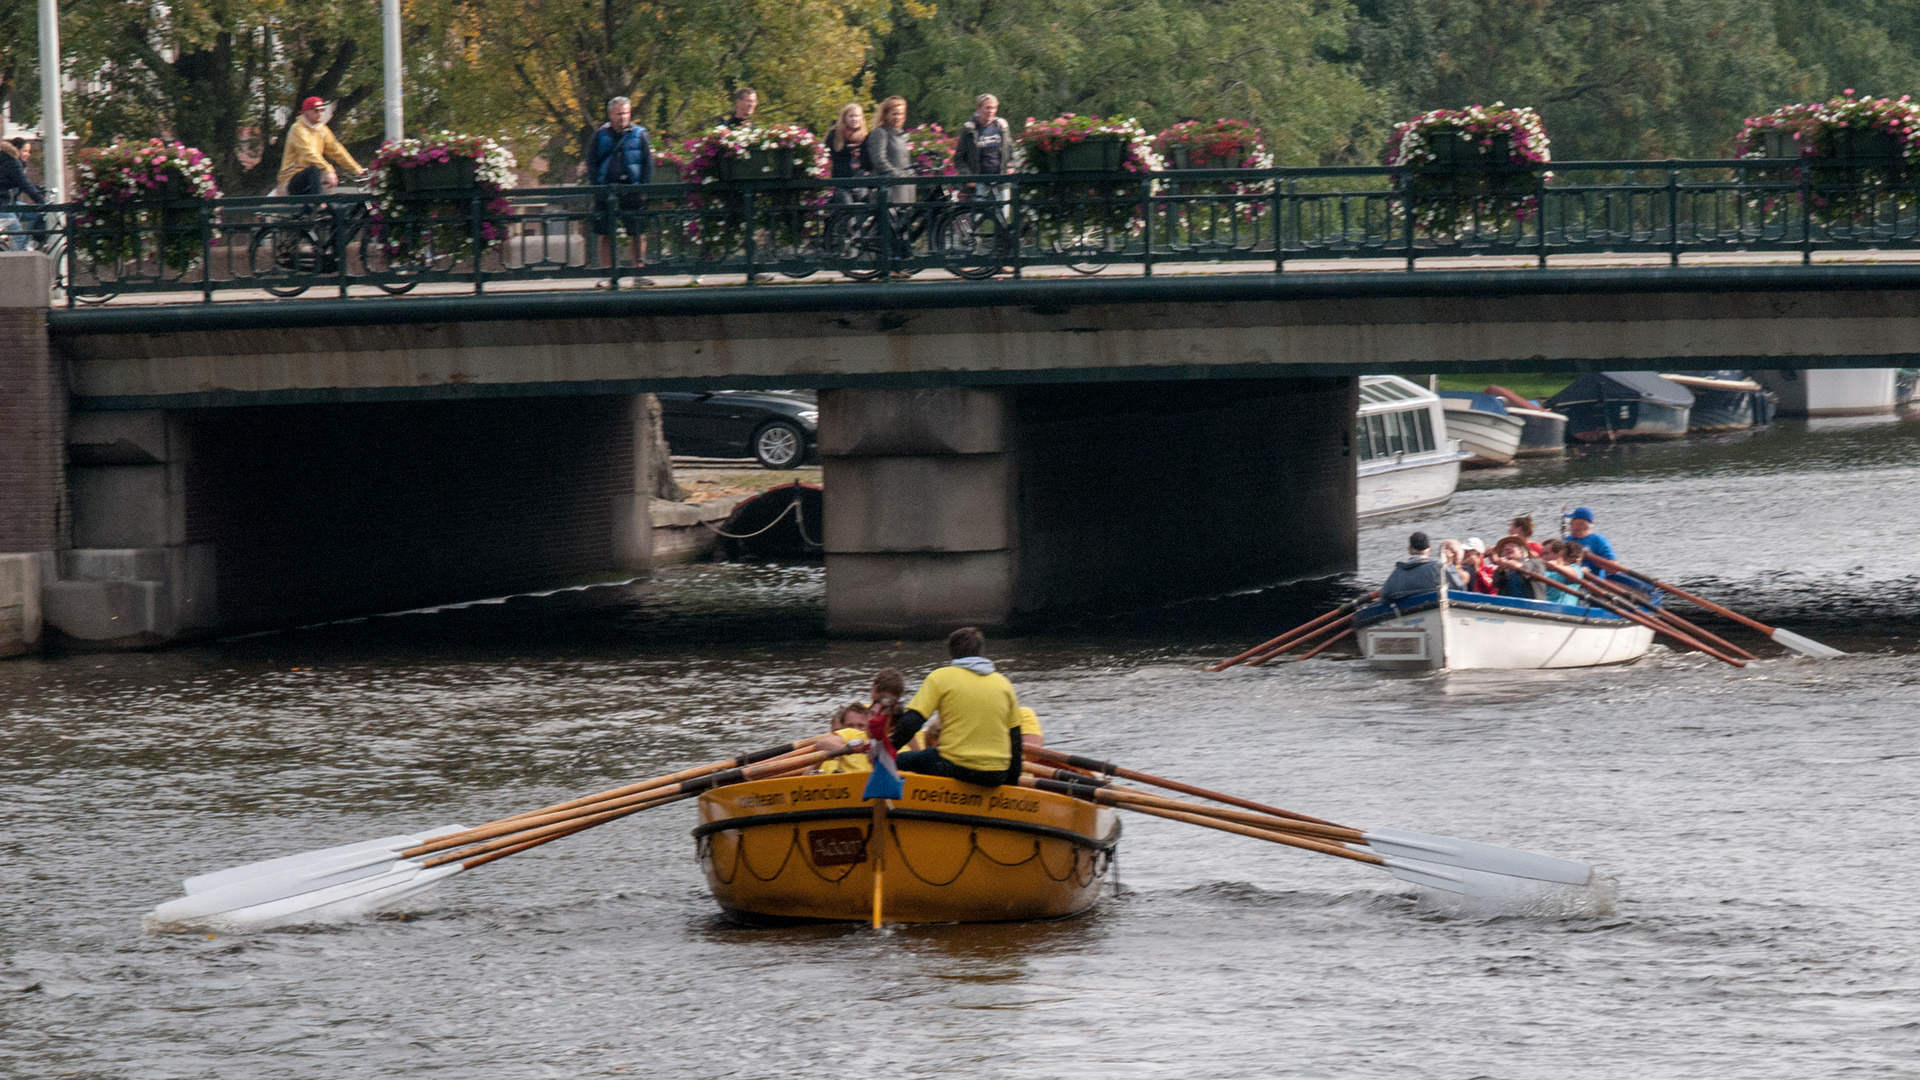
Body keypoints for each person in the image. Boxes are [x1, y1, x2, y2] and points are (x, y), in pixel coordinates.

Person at [888, 627, 1024, 788]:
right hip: (996, 775)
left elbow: (912, 721)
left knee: (910, 758)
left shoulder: (941, 677)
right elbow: (1015, 739)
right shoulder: (1004, 684)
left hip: (956, 768)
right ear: (981, 653)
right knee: (931, 755)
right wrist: (1011, 785)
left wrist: (887, 750)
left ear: (951, 654)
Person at [587, 95, 655, 289]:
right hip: (606, 190)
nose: (623, 117)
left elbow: (648, 162)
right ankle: (606, 274)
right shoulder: (599, 135)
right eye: (619, 114)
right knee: (605, 233)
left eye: (626, 113)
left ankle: (638, 273)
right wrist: (596, 187)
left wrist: (644, 188)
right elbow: (591, 162)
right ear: (610, 115)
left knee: (637, 232)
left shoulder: (640, 134)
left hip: (632, 189)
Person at [276, 96, 363, 196]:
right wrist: (329, 170)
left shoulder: (322, 129)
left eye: (322, 110)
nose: (320, 114)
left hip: (313, 179)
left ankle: (324, 204)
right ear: (306, 112)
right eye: (316, 111)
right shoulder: (297, 129)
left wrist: (357, 170)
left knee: (337, 199)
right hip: (292, 179)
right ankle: (319, 203)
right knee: (314, 169)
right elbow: (308, 154)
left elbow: (337, 151)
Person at [954, 93, 1013, 206]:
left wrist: (1011, 166)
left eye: (993, 108)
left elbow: (1011, 150)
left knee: (1003, 214)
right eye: (988, 108)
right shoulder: (969, 129)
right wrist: (968, 177)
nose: (991, 111)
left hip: (1000, 180)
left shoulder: (1002, 126)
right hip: (979, 181)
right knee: (979, 213)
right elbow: (959, 157)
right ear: (979, 109)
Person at [0, 139, 44, 248]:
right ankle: (15, 256)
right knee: (19, 236)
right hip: (3, 205)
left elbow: (21, 183)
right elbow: (24, 184)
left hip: (9, 202)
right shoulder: (11, 162)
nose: (28, 154)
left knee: (35, 214)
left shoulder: (7, 159)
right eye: (25, 151)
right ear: (17, 150)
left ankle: (25, 245)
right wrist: (41, 200)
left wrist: (38, 189)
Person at [825, 102, 871, 205]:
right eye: (851, 116)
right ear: (844, 118)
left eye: (857, 116)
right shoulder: (835, 134)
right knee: (847, 209)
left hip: (860, 182)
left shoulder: (865, 137)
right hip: (841, 183)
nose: (854, 119)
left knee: (863, 211)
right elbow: (826, 156)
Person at [1380, 532, 1445, 602]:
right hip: (1437, 602)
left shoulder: (1397, 573)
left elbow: (1384, 597)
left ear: (1410, 549)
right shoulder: (1438, 568)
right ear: (1429, 547)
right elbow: (1453, 585)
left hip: (1406, 607)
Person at [1489, 536, 1547, 600]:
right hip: (1509, 604)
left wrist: (1518, 565)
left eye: (1512, 546)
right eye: (1504, 549)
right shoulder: (1502, 571)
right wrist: (1500, 569)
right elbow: (1496, 583)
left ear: (1521, 552)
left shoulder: (1537, 562)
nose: (1507, 548)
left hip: (1533, 604)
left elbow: (1529, 567)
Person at [1541, 539, 1588, 606]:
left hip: (1563, 609)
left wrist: (1556, 567)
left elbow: (1574, 575)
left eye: (1546, 554)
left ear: (1559, 554)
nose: (1543, 557)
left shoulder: (1574, 567)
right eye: (1542, 554)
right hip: (1542, 607)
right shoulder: (1542, 570)